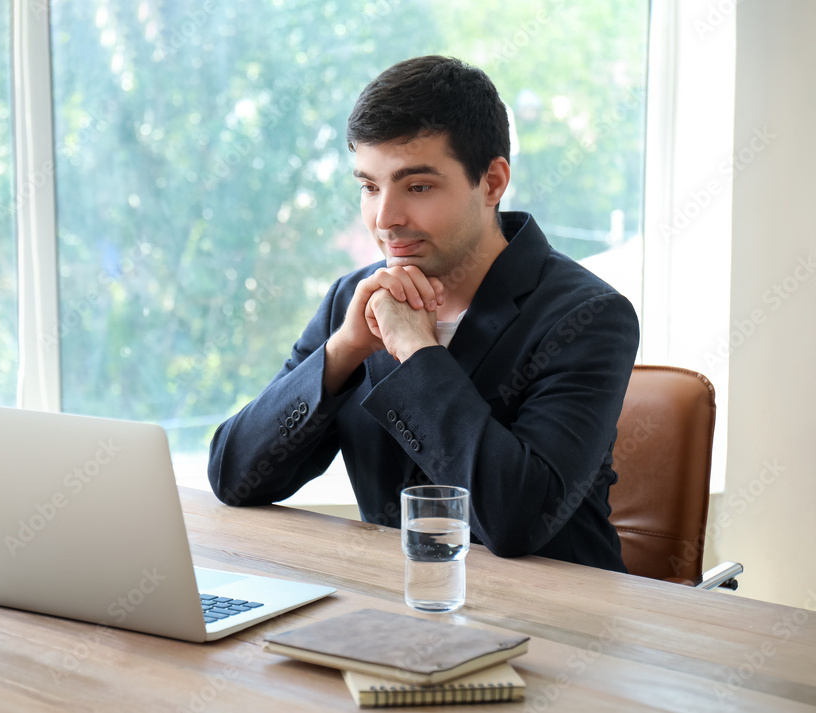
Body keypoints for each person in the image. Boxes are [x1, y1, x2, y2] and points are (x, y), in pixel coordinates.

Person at [207, 55, 640, 572]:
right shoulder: (354, 301)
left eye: (417, 186)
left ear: (493, 182)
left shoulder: (589, 317)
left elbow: (516, 521)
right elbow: (234, 477)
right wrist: (343, 352)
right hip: (395, 610)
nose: (385, 219)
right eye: (369, 186)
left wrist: (416, 351)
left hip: (557, 624)